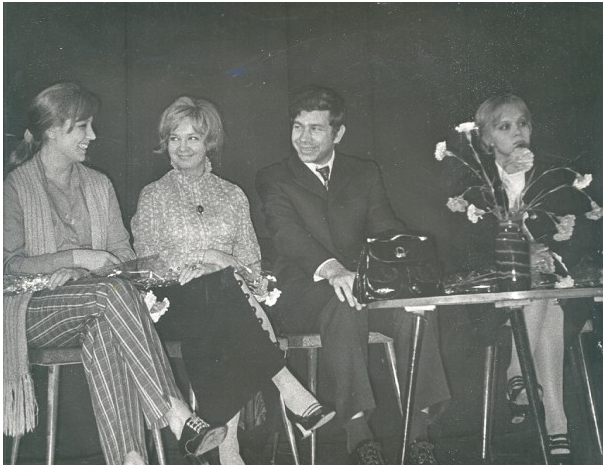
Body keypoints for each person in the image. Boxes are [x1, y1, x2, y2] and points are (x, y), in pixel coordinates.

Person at [3, 83, 228, 465]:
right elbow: (9, 266)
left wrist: (89, 271)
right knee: (111, 295)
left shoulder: (98, 184)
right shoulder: (14, 187)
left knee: (106, 327)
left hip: (95, 303)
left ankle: (130, 457)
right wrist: (76, 259)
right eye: (82, 127)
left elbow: (123, 255)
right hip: (31, 309)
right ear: (52, 130)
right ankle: (174, 410)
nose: (92, 135)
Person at [130, 95, 335, 465]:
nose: (182, 147)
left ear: (209, 142)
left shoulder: (232, 194)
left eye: (193, 138)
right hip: (173, 304)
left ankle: (229, 452)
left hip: (228, 305)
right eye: (175, 138)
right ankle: (287, 389)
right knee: (222, 292)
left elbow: (252, 264)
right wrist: (209, 258)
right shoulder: (154, 195)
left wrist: (221, 266)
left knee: (223, 298)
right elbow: (146, 264)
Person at [256, 85, 450, 465]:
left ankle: (419, 433)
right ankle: (359, 436)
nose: (304, 138)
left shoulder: (364, 173)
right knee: (343, 304)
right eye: (298, 127)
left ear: (338, 133)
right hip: (303, 293)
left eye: (316, 129)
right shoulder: (274, 177)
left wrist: (409, 268)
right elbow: (286, 234)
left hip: (361, 286)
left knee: (417, 310)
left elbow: (385, 227)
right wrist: (332, 270)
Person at [442, 94, 601, 465]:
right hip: (495, 302)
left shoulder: (555, 177)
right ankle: (556, 422)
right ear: (485, 139)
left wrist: (556, 247)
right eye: (505, 126)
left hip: (554, 291)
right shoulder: (473, 185)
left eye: (523, 123)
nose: (518, 132)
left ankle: (519, 372)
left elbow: (584, 236)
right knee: (543, 297)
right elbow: (466, 249)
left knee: (547, 297)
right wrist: (523, 254)